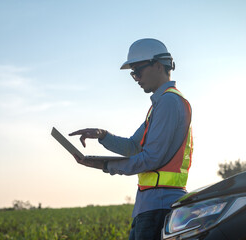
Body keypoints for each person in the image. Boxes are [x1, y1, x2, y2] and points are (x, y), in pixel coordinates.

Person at [69, 38, 193, 240]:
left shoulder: (170, 102)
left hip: (159, 206)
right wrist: (103, 135)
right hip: (149, 205)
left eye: (138, 70)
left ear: (159, 65)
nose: (135, 77)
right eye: (132, 73)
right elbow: (134, 146)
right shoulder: (159, 105)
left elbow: (150, 158)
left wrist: (105, 165)